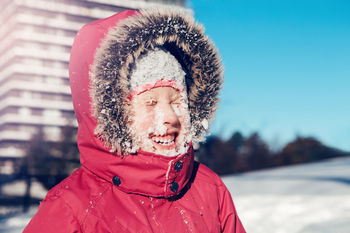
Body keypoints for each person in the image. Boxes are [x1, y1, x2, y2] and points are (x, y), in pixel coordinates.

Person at [24, 8, 246, 233]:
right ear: (112, 114)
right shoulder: (71, 209)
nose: (169, 117)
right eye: (150, 102)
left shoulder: (209, 189)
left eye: (177, 100)